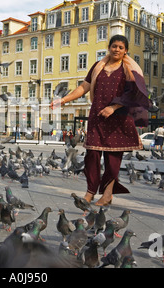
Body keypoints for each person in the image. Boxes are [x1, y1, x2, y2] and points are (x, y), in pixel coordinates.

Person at [51, 34, 151, 206]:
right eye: (114, 46)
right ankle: (90, 192)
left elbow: (133, 92)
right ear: (109, 47)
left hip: (119, 118)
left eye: (121, 47)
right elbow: (84, 87)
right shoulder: (98, 66)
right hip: (98, 116)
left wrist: (113, 107)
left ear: (125, 50)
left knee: (113, 160)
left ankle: (107, 195)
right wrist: (63, 100)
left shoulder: (129, 69)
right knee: (92, 155)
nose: (117, 49)